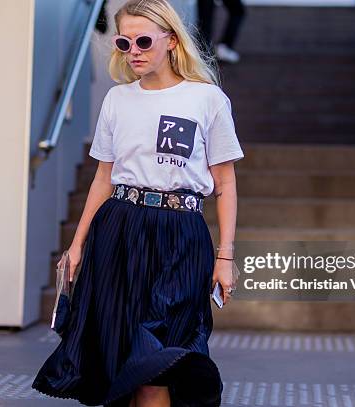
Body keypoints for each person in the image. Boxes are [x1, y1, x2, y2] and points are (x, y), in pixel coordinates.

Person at [31, 0, 244, 405]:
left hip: (181, 236)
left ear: (172, 40)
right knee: (122, 357)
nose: (135, 52)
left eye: (144, 40)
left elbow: (225, 183)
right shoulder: (117, 100)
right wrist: (77, 245)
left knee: (157, 359)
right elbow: (103, 178)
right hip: (119, 230)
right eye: (124, 43)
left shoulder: (207, 99)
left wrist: (225, 256)